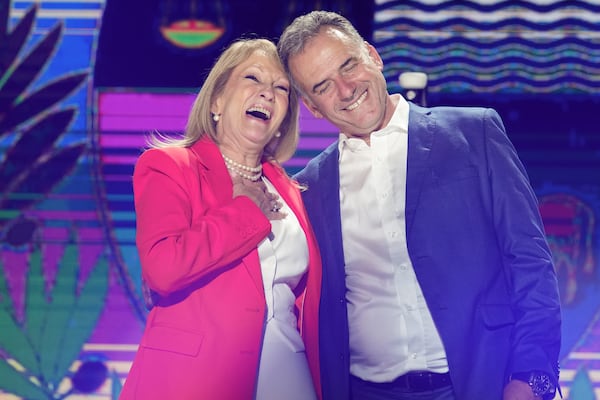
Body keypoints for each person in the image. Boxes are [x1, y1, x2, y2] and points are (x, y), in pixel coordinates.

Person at [277, 10, 561, 400]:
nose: (345, 90)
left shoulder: (474, 132)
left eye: (349, 65)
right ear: (311, 106)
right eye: (323, 86)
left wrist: (531, 376)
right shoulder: (309, 185)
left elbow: (530, 262)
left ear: (373, 56)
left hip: (481, 383)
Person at [119, 38, 322, 400]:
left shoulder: (291, 190)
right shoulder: (170, 166)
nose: (268, 94)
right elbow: (163, 271)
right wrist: (244, 211)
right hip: (195, 380)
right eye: (253, 79)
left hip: (289, 375)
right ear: (216, 100)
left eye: (280, 88)